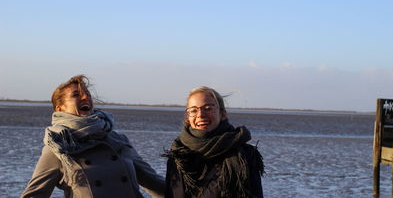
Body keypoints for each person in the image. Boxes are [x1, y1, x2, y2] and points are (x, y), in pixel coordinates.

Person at [21, 75, 165, 198]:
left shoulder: (117, 140)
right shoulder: (59, 147)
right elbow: (34, 194)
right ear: (60, 108)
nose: (85, 97)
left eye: (88, 94)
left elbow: (152, 181)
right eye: (76, 95)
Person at [164, 86, 264, 198]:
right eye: (193, 110)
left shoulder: (245, 155)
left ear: (223, 114)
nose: (200, 114)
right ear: (188, 117)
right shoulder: (178, 155)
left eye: (208, 108)